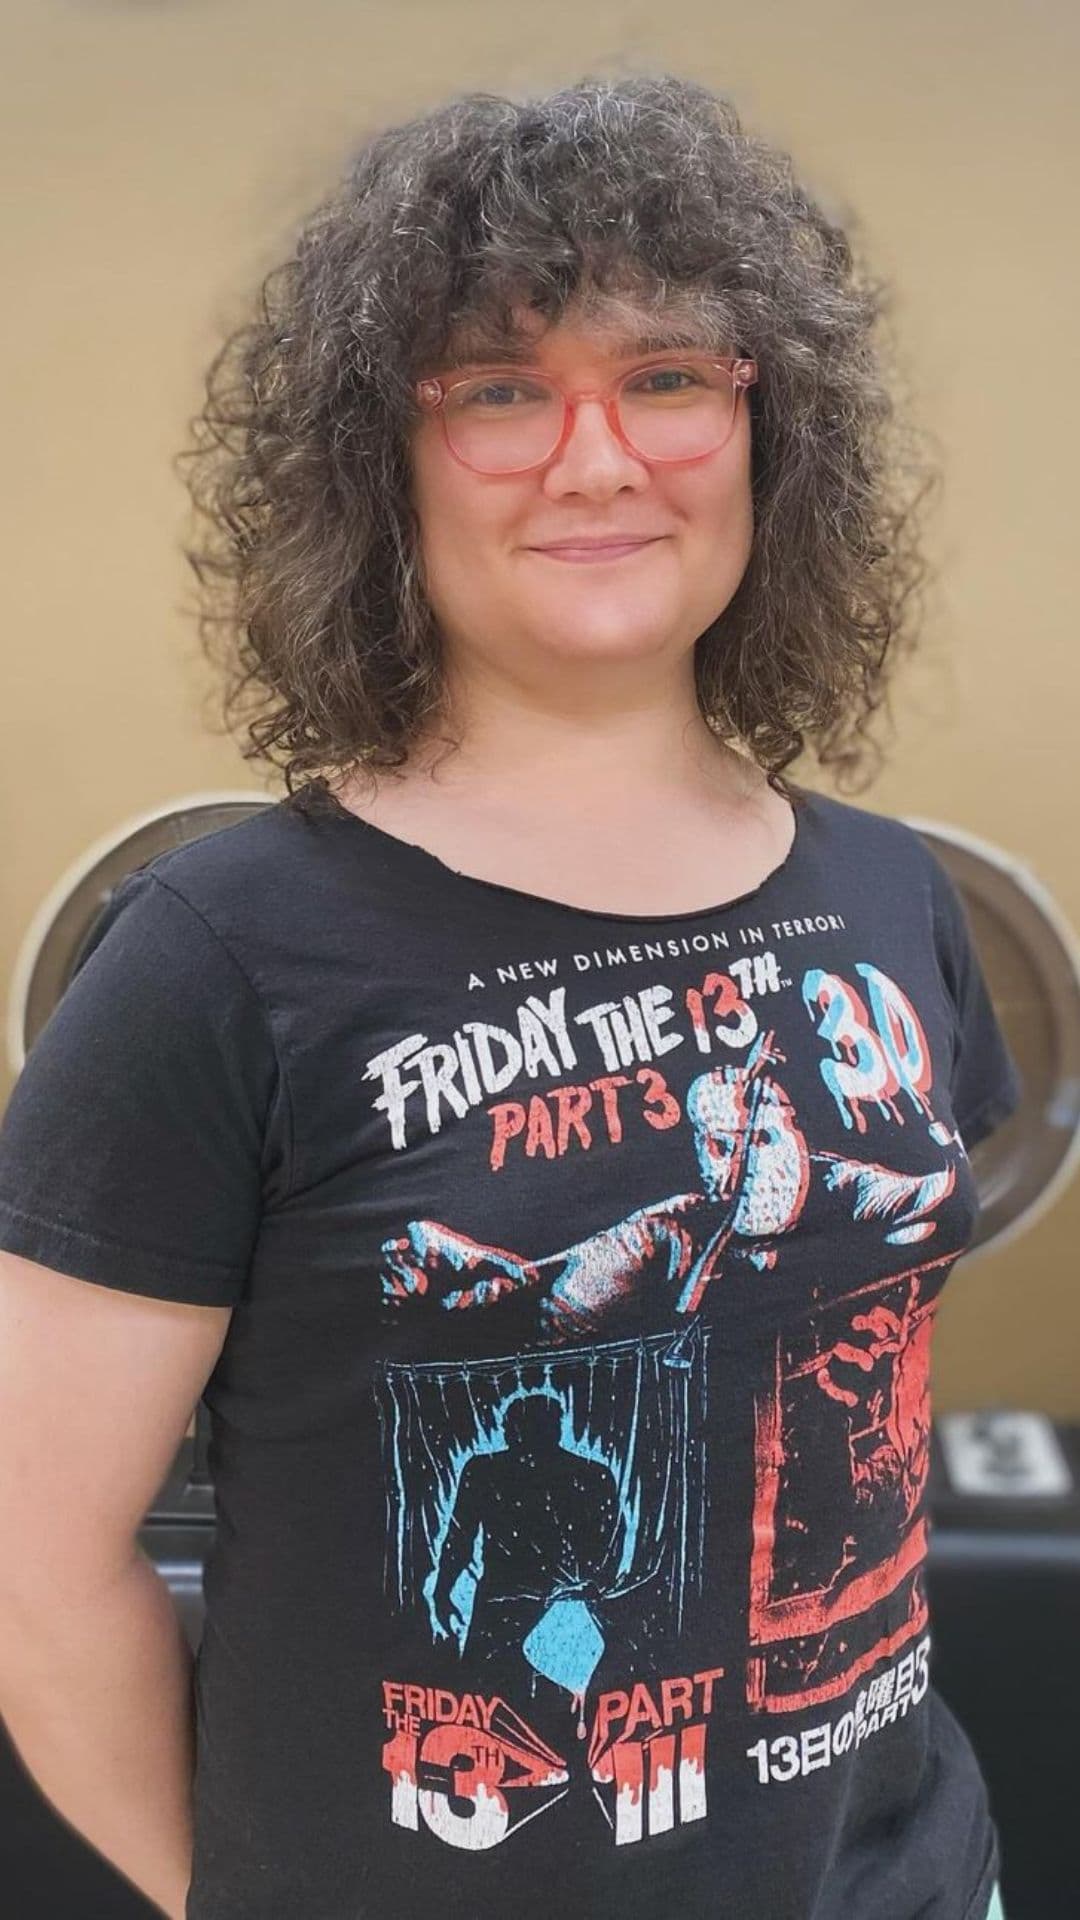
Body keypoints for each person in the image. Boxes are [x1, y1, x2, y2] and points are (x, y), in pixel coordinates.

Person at [0, 72, 1021, 1920]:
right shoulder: (219, 957)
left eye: (670, 376)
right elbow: (27, 1559)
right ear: (373, 468)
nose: (596, 456)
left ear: (768, 430)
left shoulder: (892, 896)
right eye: (494, 389)